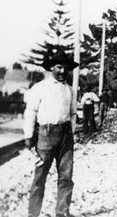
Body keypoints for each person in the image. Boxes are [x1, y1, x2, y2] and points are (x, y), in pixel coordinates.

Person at [23, 48, 79, 217]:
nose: (62, 71)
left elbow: (73, 114)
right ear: (52, 68)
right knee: (40, 178)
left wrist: (72, 132)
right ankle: (33, 214)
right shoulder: (40, 88)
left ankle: (62, 212)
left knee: (66, 177)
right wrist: (28, 136)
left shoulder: (70, 90)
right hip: (46, 136)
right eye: (59, 67)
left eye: (65, 68)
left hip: (66, 136)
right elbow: (30, 111)